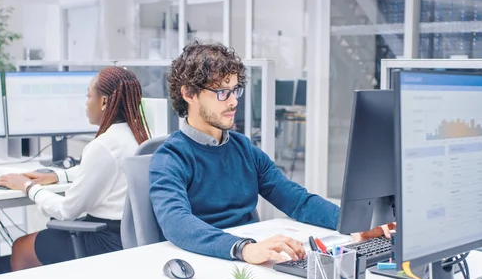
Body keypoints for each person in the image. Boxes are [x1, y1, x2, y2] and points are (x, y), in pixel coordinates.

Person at [149, 41, 394, 265]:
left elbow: (297, 200)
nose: (233, 102)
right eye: (222, 92)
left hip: (251, 261)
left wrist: (355, 225)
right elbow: (176, 223)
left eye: (235, 90)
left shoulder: (243, 149)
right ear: (189, 94)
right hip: (208, 261)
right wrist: (242, 248)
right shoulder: (170, 158)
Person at [0, 66, 151, 272]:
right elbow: (106, 170)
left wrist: (28, 186)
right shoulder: (139, 137)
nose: (86, 103)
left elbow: (67, 211)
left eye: (88, 96)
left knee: (21, 248)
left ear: (104, 102)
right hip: (131, 238)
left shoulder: (102, 145)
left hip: (104, 242)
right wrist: (56, 176)